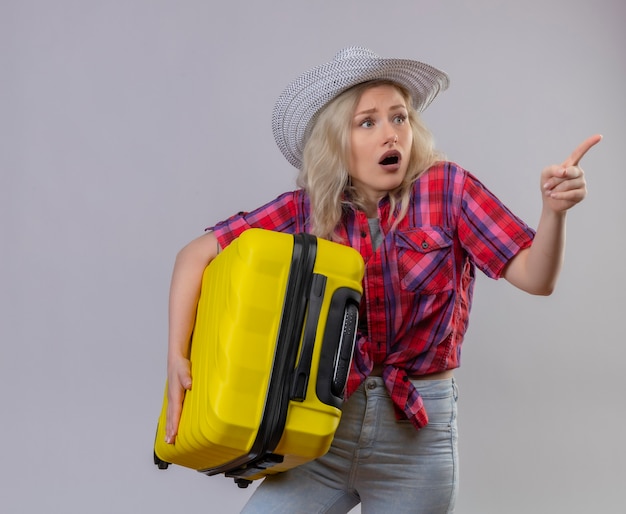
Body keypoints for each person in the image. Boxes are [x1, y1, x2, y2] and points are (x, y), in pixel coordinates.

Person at [163, 47, 601, 513]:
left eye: (399, 118)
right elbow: (195, 255)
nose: (390, 134)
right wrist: (177, 356)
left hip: (418, 433)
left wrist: (554, 213)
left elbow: (536, 276)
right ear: (337, 142)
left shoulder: (448, 190)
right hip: (323, 425)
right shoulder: (306, 210)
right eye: (367, 123)